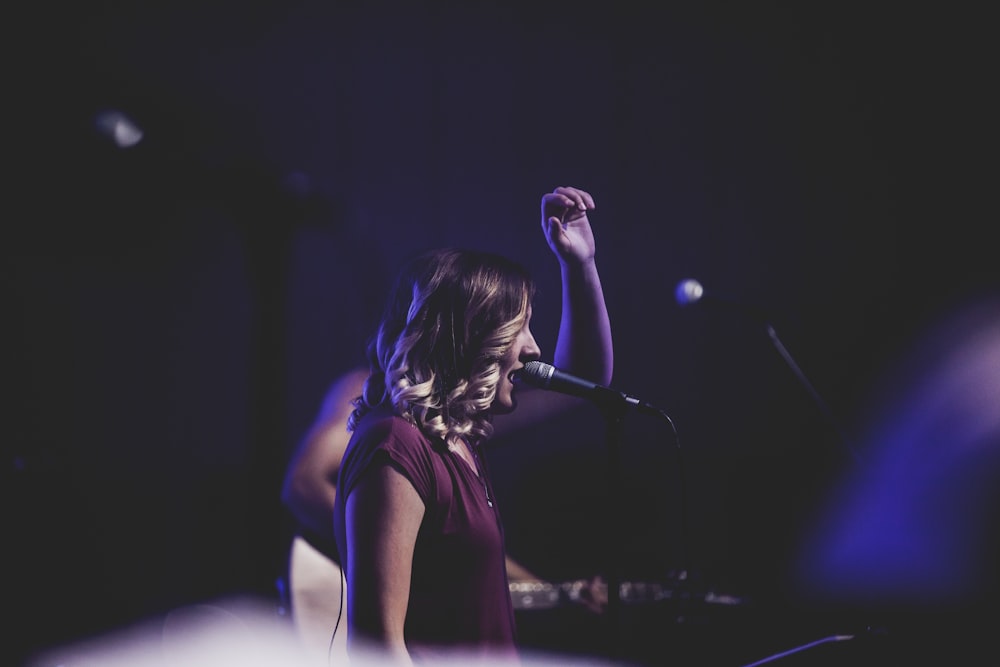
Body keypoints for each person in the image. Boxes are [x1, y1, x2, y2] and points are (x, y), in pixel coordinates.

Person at [331, 185, 613, 664]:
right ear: (467, 339)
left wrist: (580, 263)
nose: (533, 349)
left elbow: (585, 383)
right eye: (516, 329)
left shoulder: (453, 440)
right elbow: (379, 645)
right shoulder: (395, 443)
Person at [280, 366, 597, 664]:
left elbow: (467, 550)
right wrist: (390, 549)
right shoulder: (385, 419)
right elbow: (302, 484)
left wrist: (549, 591)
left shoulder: (457, 438)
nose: (532, 348)